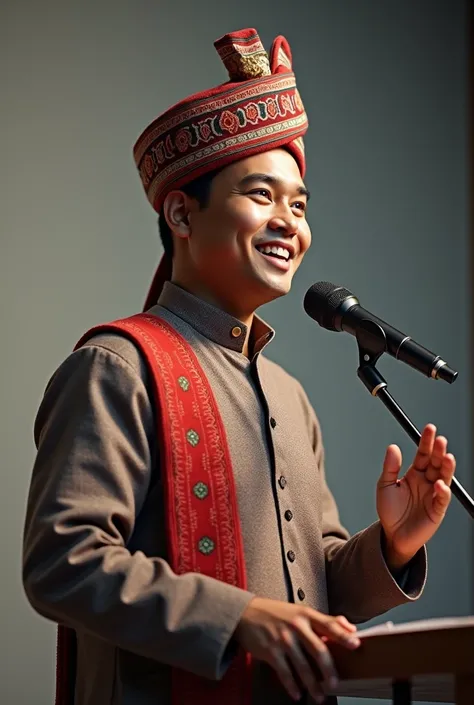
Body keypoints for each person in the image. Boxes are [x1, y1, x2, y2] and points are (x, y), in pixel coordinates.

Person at [22, 28, 456, 705]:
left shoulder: (289, 396)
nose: (290, 223)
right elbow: (62, 562)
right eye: (262, 196)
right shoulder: (116, 367)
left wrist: (394, 544)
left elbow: (316, 583)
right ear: (181, 212)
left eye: (300, 205)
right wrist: (236, 615)